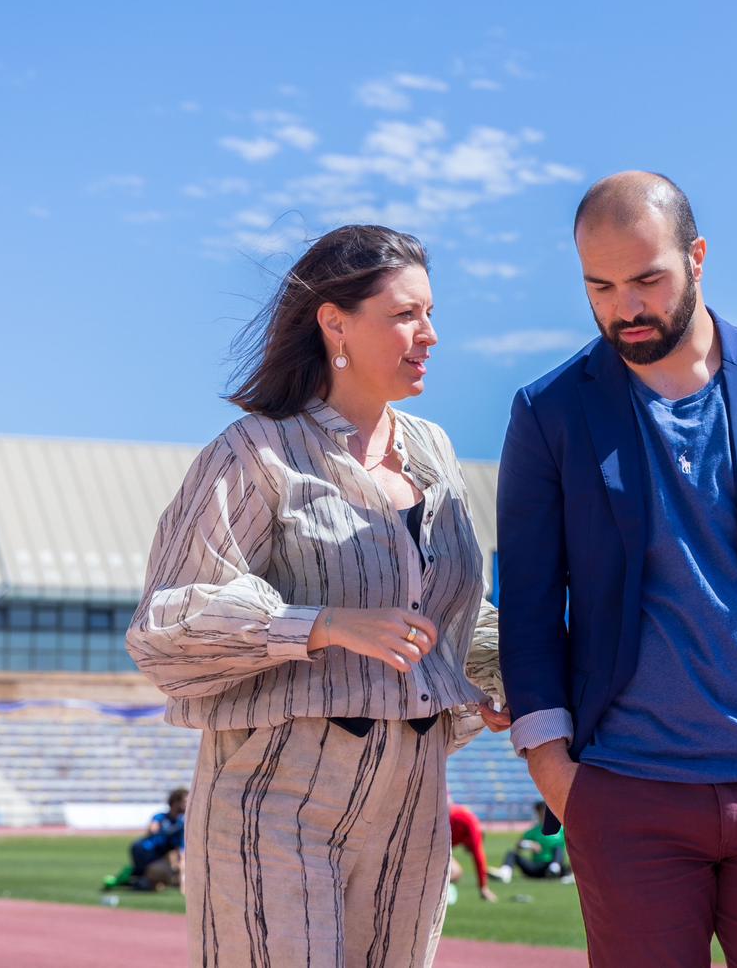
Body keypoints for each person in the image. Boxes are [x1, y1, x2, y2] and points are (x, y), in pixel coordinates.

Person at [498, 172, 737, 967]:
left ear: (697, 257)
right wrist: (553, 767)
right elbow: (531, 601)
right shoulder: (549, 412)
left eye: (647, 279)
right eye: (599, 287)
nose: (625, 308)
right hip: (627, 793)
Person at [127, 224, 508, 968]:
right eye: (405, 315)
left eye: (430, 314)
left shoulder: (434, 451)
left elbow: (449, 621)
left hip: (416, 798)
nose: (429, 335)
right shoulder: (256, 452)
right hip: (280, 796)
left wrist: (508, 669)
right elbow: (166, 622)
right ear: (336, 322)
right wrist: (323, 624)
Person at [492, 801, 571, 882]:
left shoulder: (561, 830)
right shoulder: (533, 831)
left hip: (553, 865)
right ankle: (504, 874)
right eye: (540, 811)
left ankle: (555, 869)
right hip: (536, 867)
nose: (543, 814)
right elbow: (519, 845)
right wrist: (530, 844)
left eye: (545, 811)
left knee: (558, 848)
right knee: (512, 854)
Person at [128, 788, 187, 891]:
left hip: (156, 855)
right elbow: (152, 829)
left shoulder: (181, 823)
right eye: (185, 801)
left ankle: (142, 879)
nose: (188, 804)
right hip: (144, 851)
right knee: (165, 875)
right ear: (176, 802)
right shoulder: (161, 817)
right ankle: (142, 878)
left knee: (164, 878)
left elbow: (180, 851)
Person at [447, 798, 497, 902]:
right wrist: (483, 887)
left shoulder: (462, 831)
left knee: (454, 872)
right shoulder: (473, 827)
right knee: (455, 872)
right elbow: (479, 858)